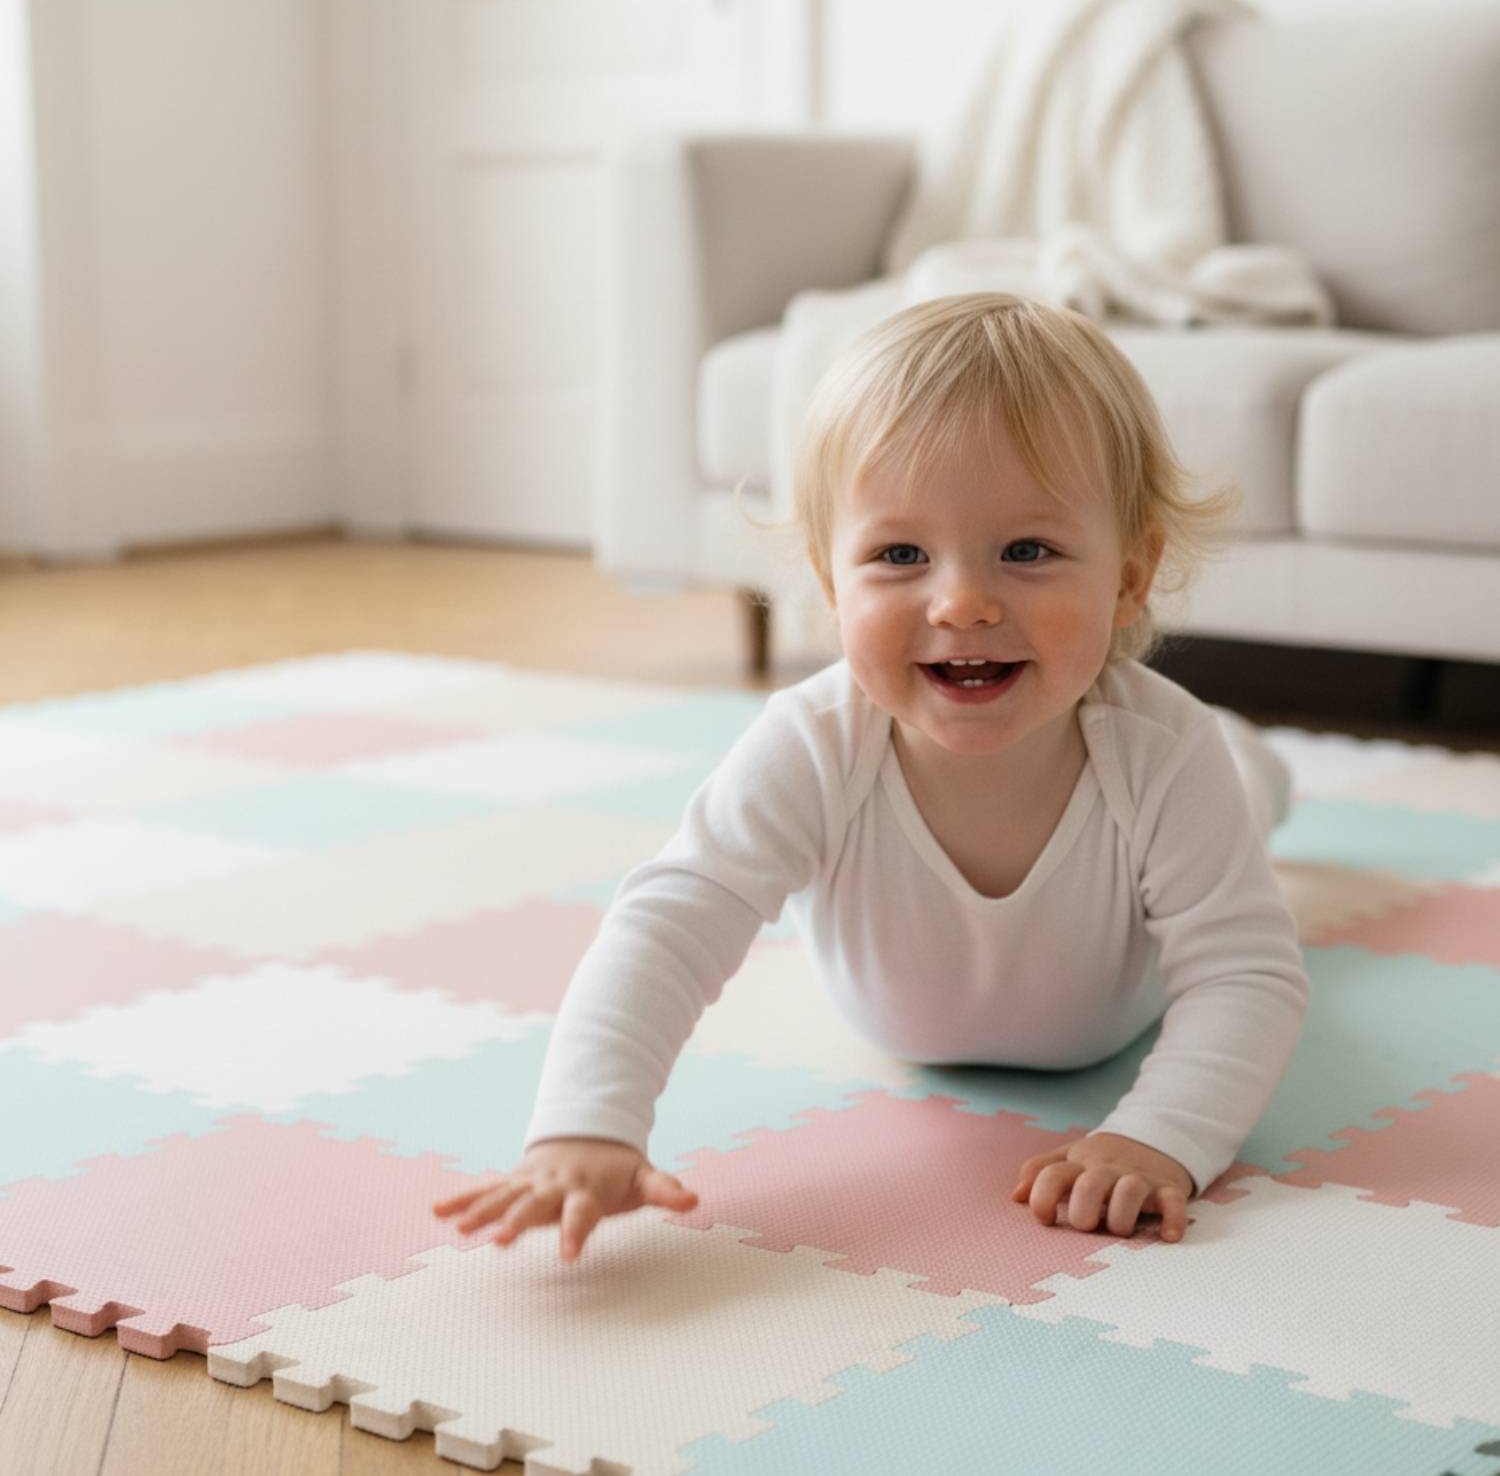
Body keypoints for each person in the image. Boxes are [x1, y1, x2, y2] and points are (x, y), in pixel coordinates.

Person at [433, 291, 1311, 1263]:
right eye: (899, 554)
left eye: (1028, 550)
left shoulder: (1163, 753)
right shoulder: (812, 742)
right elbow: (670, 919)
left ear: (1130, 575)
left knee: (1231, 786)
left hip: (1132, 971)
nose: (964, 602)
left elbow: (1247, 973)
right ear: (829, 577)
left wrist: (1161, 1139)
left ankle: (1256, 771)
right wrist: (584, 1126)